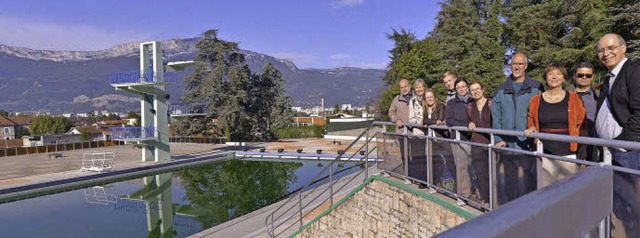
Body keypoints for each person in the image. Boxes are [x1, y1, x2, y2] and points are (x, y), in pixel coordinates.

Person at [595, 33, 640, 237]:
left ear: (623, 48)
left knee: (632, 203)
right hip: (614, 150)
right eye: (602, 50)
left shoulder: (633, 72)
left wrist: (626, 142)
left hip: (628, 151)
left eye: (611, 48)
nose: (606, 53)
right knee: (621, 201)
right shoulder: (610, 78)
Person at [491, 52, 544, 204]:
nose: (517, 67)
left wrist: (535, 129)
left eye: (521, 64)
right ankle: (511, 208)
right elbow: (496, 116)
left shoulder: (536, 87)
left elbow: (540, 112)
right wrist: (498, 138)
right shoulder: (501, 89)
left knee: (527, 177)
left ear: (526, 66)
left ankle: (528, 207)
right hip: (507, 143)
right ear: (510, 65)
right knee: (509, 177)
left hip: (526, 142)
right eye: (514, 64)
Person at [523, 62, 586, 188]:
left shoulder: (574, 98)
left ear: (564, 78)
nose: (554, 77)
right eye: (550, 74)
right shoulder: (535, 100)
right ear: (546, 77)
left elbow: (581, 124)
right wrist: (531, 128)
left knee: (567, 191)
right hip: (544, 152)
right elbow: (531, 119)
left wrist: (581, 151)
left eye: (558, 74)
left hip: (568, 152)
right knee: (546, 191)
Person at [446, 78, 473, 197]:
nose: (461, 89)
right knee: (462, 168)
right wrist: (466, 125)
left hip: (474, 139)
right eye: (458, 87)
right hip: (458, 139)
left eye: (463, 86)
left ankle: (478, 192)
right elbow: (450, 120)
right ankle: (464, 195)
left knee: (476, 167)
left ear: (467, 87)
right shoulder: (452, 103)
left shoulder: (473, 100)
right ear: (456, 90)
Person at [467, 81, 491, 202]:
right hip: (476, 142)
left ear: (482, 89)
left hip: (490, 143)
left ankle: (495, 198)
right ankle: (486, 199)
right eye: (472, 90)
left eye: (477, 89)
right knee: (481, 172)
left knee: (492, 172)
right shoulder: (470, 106)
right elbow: (464, 120)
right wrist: (469, 123)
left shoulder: (491, 103)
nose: (475, 92)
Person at [571, 62, 600, 162]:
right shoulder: (565, 95)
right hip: (572, 141)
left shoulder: (600, 96)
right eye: (580, 75)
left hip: (594, 142)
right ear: (574, 76)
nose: (584, 77)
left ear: (592, 77)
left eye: (588, 75)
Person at [388, 79, 412, 175]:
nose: (404, 89)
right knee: (404, 155)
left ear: (409, 86)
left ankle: (418, 176)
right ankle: (408, 175)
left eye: (405, 86)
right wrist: (395, 119)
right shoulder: (396, 99)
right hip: (401, 132)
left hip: (415, 132)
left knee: (416, 155)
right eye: (401, 87)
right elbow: (391, 112)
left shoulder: (416, 97)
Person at [407, 79, 428, 185]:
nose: (419, 89)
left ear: (424, 87)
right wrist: (417, 122)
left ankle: (432, 179)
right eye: (417, 87)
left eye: (420, 87)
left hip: (429, 132)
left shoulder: (429, 97)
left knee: (431, 156)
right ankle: (422, 180)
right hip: (418, 132)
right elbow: (410, 118)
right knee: (419, 157)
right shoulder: (413, 101)